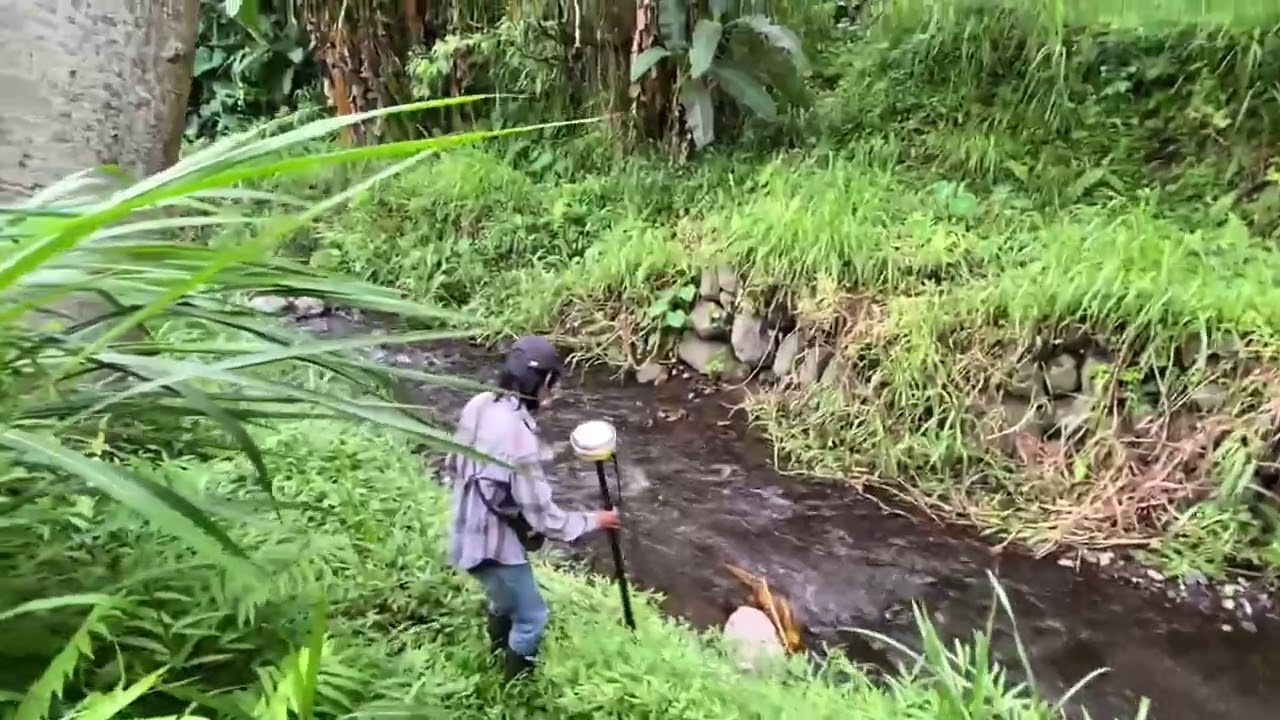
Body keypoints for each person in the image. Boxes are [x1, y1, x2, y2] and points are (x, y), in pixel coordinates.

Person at [445, 335, 620, 680]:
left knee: (504, 599)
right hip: (493, 548)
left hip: (466, 527)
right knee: (532, 617)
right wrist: (596, 519)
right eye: (552, 382)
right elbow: (546, 518)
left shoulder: (480, 402)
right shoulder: (520, 439)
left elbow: (454, 462)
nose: (552, 390)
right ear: (543, 382)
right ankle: (514, 684)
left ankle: (496, 655)